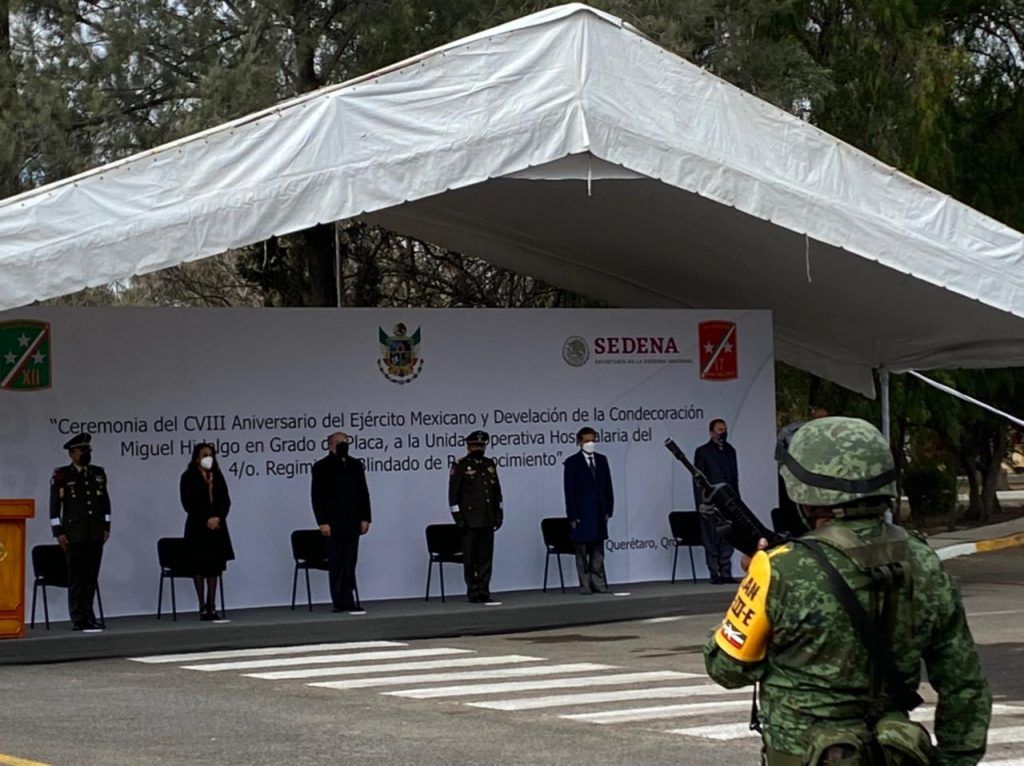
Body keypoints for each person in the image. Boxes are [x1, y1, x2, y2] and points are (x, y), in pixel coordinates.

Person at [704, 417, 992, 765]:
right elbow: (964, 685)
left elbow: (727, 669)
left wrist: (751, 589)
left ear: (805, 494)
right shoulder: (924, 562)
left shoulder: (781, 569)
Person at [49, 432, 110, 632]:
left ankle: (89, 614)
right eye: (82, 450)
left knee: (91, 576)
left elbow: (105, 503)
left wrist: (106, 526)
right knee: (76, 577)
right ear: (72, 454)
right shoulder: (62, 475)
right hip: (74, 533)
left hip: (95, 532)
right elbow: (54, 507)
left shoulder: (97, 473)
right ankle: (78, 617)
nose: (86, 453)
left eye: (88, 450)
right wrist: (58, 532)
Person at [311, 432, 371, 614]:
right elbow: (317, 497)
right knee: (336, 564)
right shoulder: (321, 467)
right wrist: (322, 521)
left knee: (350, 563)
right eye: (339, 442)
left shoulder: (355, 465)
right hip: (333, 524)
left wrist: (366, 517)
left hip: (353, 522)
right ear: (330, 445)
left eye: (346, 442)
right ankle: (338, 600)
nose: (343, 445)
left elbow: (363, 492)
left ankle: (349, 599)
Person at [180, 442, 235, 621]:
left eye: (210, 455)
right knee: (199, 567)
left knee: (214, 568)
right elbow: (188, 503)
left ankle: (212, 605)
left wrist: (218, 517)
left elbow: (225, 500)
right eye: (204, 455)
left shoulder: (217, 476)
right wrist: (206, 519)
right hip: (198, 528)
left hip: (217, 528)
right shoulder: (188, 477)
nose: (208, 458)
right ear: (197, 458)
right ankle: (202, 606)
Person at [448, 430, 503, 604]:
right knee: (470, 558)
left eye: (482, 445)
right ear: (468, 446)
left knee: (485, 558)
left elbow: (496, 492)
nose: (479, 448)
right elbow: (453, 494)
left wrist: (499, 513)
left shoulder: (489, 464)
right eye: (475, 445)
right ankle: (473, 591)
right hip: (470, 519)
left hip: (487, 518)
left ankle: (484, 590)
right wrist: (458, 518)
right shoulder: (461, 465)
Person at [563, 427, 614, 594]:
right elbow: (569, 491)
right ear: (579, 442)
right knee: (582, 551)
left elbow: (608, 486)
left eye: (593, 440)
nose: (590, 444)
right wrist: (572, 515)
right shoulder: (572, 463)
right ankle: (585, 584)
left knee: (598, 551)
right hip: (582, 514)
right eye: (586, 441)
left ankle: (598, 582)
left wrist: (609, 509)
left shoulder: (602, 460)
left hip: (599, 512)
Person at [693, 418, 738, 583]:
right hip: (710, 501)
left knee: (728, 536)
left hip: (729, 501)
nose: (723, 432)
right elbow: (698, 480)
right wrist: (701, 503)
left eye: (724, 429)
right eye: (719, 430)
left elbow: (734, 477)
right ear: (711, 432)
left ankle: (726, 572)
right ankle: (714, 573)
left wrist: (737, 500)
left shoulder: (730, 450)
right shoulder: (703, 452)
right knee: (711, 537)